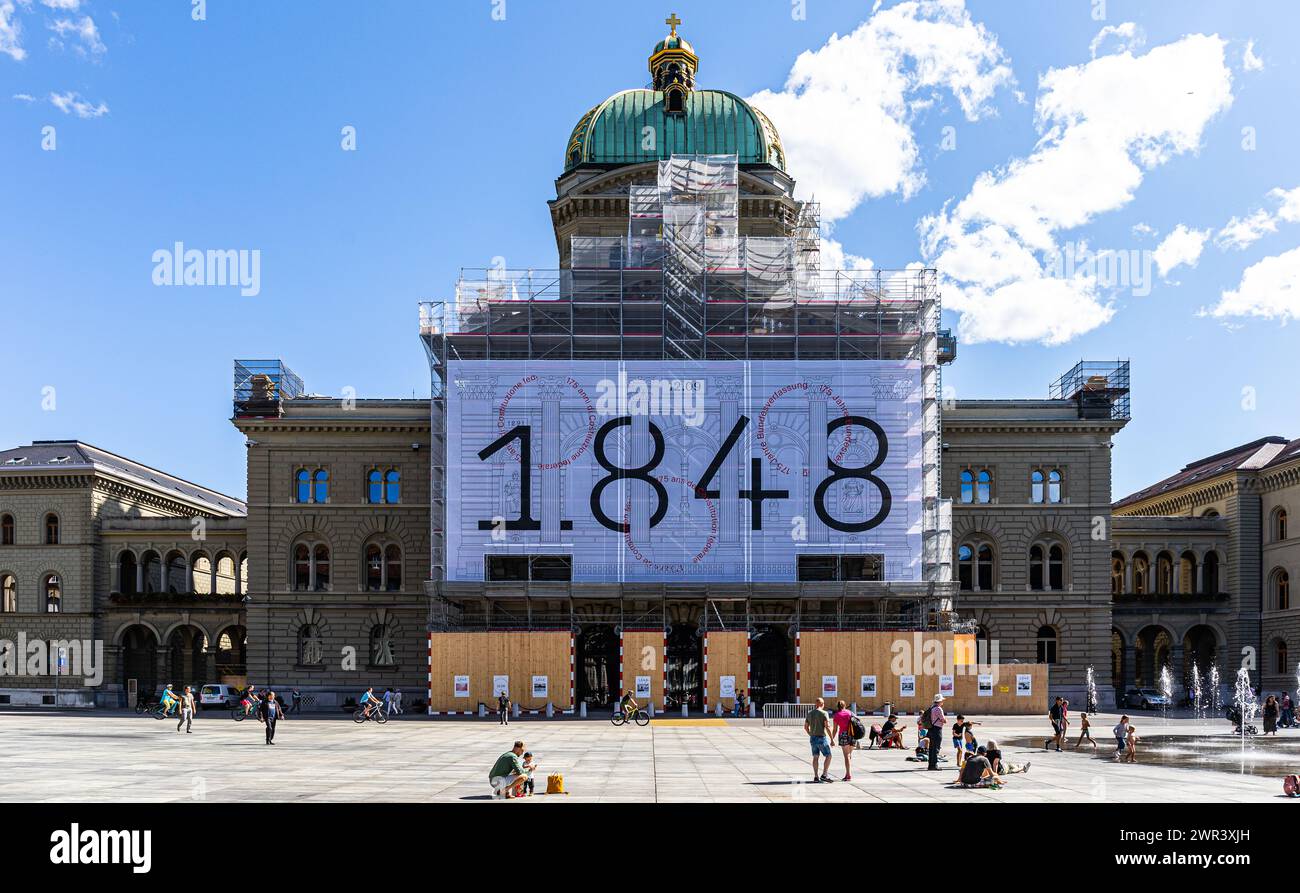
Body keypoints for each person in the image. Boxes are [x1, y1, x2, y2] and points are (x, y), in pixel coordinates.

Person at [804, 697, 834, 783]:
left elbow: (806, 727)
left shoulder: (810, 713)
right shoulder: (824, 713)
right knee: (828, 755)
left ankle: (816, 776)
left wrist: (810, 734)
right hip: (821, 737)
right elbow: (827, 727)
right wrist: (832, 739)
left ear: (815, 704)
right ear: (822, 704)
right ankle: (824, 774)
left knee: (815, 757)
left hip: (813, 738)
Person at [831, 700, 855, 781]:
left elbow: (835, 729)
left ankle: (848, 775)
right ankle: (847, 774)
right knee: (849, 755)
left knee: (846, 756)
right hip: (852, 734)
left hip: (843, 735)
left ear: (837, 706)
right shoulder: (850, 712)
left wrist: (832, 739)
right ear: (845, 705)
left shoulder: (836, 715)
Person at [926, 695, 946, 770]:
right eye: (942, 701)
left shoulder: (932, 708)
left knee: (931, 748)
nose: (943, 702)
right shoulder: (938, 709)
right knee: (936, 748)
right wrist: (945, 720)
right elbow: (943, 720)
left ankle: (930, 765)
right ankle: (934, 765)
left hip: (931, 729)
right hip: (937, 730)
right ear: (939, 701)